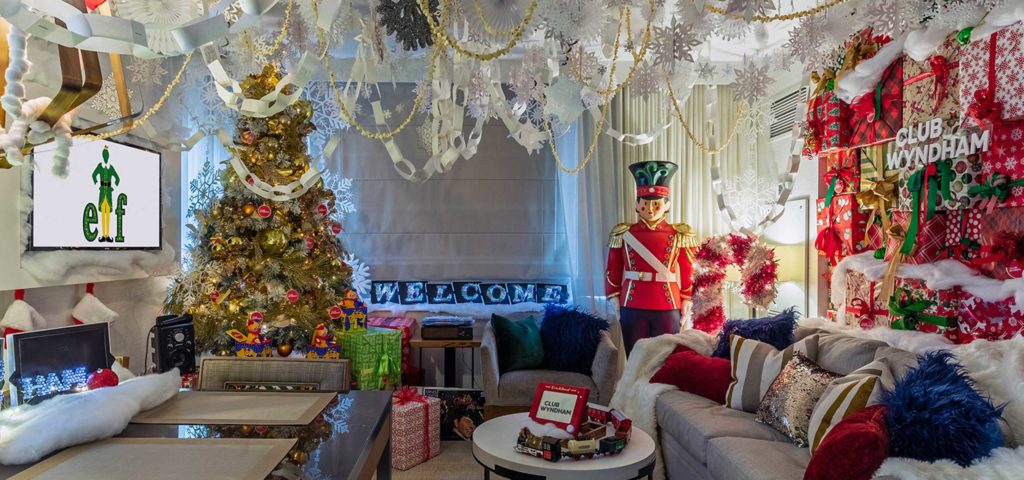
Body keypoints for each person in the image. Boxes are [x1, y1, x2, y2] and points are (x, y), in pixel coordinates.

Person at [605, 161, 698, 355]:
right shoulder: (623, 233)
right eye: (645, 203)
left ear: (667, 205)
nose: (650, 208)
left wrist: (687, 297)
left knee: (665, 359)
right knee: (636, 358)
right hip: (632, 303)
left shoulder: (680, 233)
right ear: (637, 205)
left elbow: (688, 268)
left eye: (656, 204)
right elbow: (613, 267)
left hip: (668, 304)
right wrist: (613, 295)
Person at [90, 146, 120, 243]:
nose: (105, 157)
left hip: (109, 192)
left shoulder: (111, 167)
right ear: (103, 156)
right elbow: (94, 174)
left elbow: (117, 177)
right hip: (102, 191)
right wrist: (96, 182)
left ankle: (108, 235)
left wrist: (116, 183)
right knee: (103, 214)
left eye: (107, 155)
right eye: (104, 155)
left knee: (108, 214)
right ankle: (103, 235)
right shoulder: (100, 166)